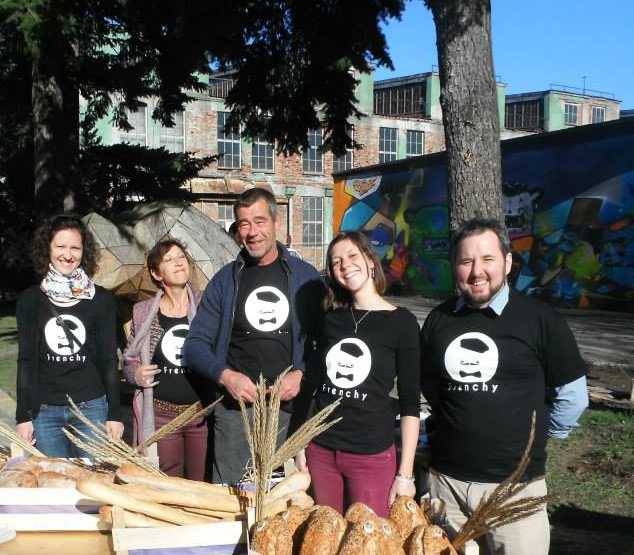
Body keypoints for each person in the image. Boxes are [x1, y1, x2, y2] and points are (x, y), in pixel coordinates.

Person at [420, 217, 588, 555]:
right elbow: (431, 388)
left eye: (487, 259)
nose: (476, 271)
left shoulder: (540, 319)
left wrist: (536, 439)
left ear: (507, 262)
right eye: (466, 261)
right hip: (447, 487)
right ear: (455, 267)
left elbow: (573, 396)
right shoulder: (439, 320)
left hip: (515, 491)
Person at [183, 187, 325, 485]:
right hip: (236, 416)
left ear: (276, 221)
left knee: (288, 502)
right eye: (244, 224)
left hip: (291, 414)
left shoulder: (306, 277)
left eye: (260, 221)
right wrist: (225, 376)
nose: (252, 232)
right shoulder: (225, 280)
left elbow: (327, 340)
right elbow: (194, 346)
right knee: (234, 499)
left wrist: (302, 373)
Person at [306, 231, 420, 517]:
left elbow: (410, 403)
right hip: (321, 453)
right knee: (324, 534)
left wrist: (405, 474)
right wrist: (301, 446)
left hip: (370, 456)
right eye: (336, 262)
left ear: (370, 260)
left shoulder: (401, 322)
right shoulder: (331, 320)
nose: (345, 265)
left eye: (352, 255)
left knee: (368, 537)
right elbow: (315, 385)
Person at [15, 214, 124, 458]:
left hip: (92, 410)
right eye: (60, 246)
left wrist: (115, 414)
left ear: (84, 252)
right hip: (44, 412)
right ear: (48, 248)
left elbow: (109, 359)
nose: (68, 255)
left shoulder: (102, 300)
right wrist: (22, 416)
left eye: (75, 248)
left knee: (95, 479)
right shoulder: (30, 300)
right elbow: (26, 360)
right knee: (54, 481)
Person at [122, 239, 210, 480]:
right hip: (162, 416)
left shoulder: (207, 303)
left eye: (181, 257)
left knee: (202, 484)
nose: (179, 263)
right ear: (156, 273)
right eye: (169, 259)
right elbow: (129, 359)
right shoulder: (143, 312)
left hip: (201, 415)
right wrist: (135, 374)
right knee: (168, 484)